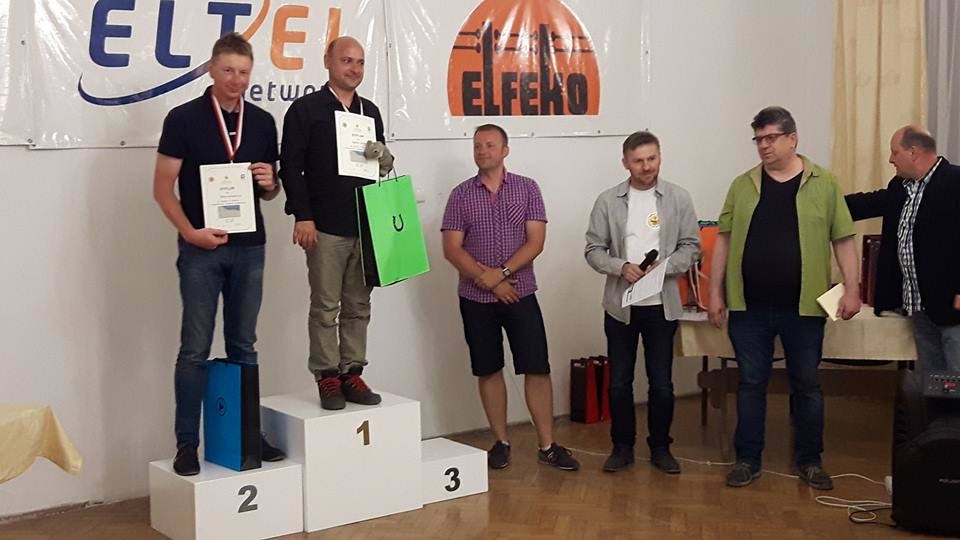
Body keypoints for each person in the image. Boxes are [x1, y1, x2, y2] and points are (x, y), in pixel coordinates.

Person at [708, 106, 861, 490]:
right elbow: (723, 239)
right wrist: (714, 291)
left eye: (771, 138)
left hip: (804, 307)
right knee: (750, 383)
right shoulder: (743, 185)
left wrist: (853, 287)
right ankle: (747, 459)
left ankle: (810, 461)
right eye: (758, 139)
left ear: (792, 139)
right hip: (749, 307)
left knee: (807, 384)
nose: (763, 146)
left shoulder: (824, 183)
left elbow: (843, 239)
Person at [153, 33, 285, 475]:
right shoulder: (183, 118)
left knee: (244, 345)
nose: (236, 80)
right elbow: (161, 189)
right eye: (228, 70)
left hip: (249, 249)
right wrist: (190, 233)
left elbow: (270, 191)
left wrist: (270, 183)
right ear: (211, 69)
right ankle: (187, 444)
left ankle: (247, 435)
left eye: (244, 72)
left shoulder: (262, 122)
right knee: (194, 348)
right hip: (201, 251)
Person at [441, 124, 580, 471]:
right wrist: (488, 282)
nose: (482, 151)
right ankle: (501, 442)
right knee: (488, 369)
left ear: (505, 150)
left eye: (490, 145)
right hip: (475, 298)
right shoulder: (460, 195)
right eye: (477, 146)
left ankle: (547, 445)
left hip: (521, 293)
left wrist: (501, 274)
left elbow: (536, 241)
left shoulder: (527, 188)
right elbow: (452, 248)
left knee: (536, 368)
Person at [279, 36, 395, 410]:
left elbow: (380, 168)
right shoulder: (306, 110)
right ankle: (327, 375)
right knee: (326, 307)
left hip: (366, 223)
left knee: (359, 305)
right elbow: (290, 167)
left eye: (360, 62)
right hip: (324, 226)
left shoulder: (369, 112)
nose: (354, 69)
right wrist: (303, 216)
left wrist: (385, 159)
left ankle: (352, 372)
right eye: (346, 60)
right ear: (327, 61)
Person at [584, 130, 700, 473]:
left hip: (662, 305)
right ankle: (622, 447)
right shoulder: (608, 201)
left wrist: (664, 268)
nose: (646, 166)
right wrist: (621, 267)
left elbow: (692, 246)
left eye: (652, 158)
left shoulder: (678, 197)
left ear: (660, 157)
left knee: (661, 383)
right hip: (621, 306)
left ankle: (661, 447)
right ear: (625, 163)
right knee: (619, 382)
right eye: (638, 161)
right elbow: (593, 250)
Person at [846, 126, 960, 372]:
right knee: (934, 381)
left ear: (913, 152)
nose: (890, 159)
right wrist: (821, 204)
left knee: (956, 377)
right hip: (920, 306)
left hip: (952, 307)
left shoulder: (955, 182)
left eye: (894, 152)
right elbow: (869, 203)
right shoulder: (900, 186)